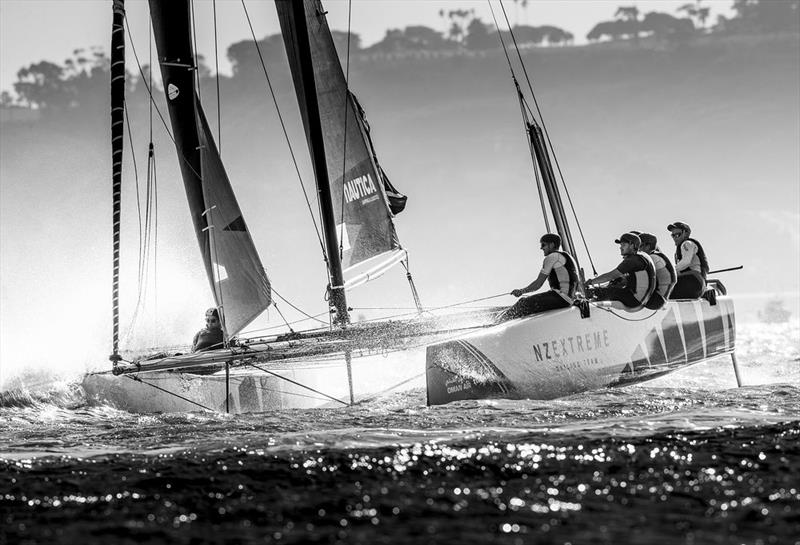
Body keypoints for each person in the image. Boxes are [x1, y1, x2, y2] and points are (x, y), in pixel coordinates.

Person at [497, 233, 579, 321]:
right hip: (568, 298)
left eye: (543, 245)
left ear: (551, 245)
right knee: (526, 303)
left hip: (561, 298)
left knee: (523, 303)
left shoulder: (552, 257)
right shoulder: (567, 256)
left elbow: (538, 283)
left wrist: (521, 291)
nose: (541, 248)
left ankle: (499, 322)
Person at [585, 232, 656, 309]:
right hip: (642, 299)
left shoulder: (633, 260)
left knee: (597, 292)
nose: (620, 247)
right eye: (621, 245)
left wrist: (590, 282)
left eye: (623, 245)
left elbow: (611, 275)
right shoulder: (640, 256)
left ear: (632, 245)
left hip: (635, 300)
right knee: (607, 290)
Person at [667, 221, 709, 299]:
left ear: (686, 233)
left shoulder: (687, 244)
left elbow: (685, 262)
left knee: (662, 290)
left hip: (692, 281)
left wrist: (668, 271)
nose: (675, 238)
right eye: (673, 235)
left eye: (677, 235)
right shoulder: (682, 248)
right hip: (698, 283)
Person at [639, 232, 676, 309]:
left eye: (638, 246)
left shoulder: (652, 258)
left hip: (656, 301)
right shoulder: (655, 255)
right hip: (659, 298)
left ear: (647, 246)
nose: (636, 249)